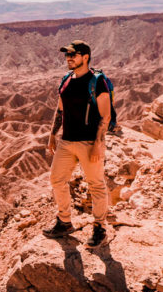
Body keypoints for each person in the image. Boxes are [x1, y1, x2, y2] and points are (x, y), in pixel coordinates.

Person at [42, 40, 112, 247]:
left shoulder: (97, 82)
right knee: (57, 180)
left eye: (74, 54)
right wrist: (52, 134)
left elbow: (105, 115)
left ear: (86, 57)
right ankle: (64, 221)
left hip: (89, 142)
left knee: (96, 185)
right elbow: (60, 109)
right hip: (66, 141)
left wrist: (98, 144)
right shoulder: (66, 79)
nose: (69, 58)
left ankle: (100, 227)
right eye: (67, 55)